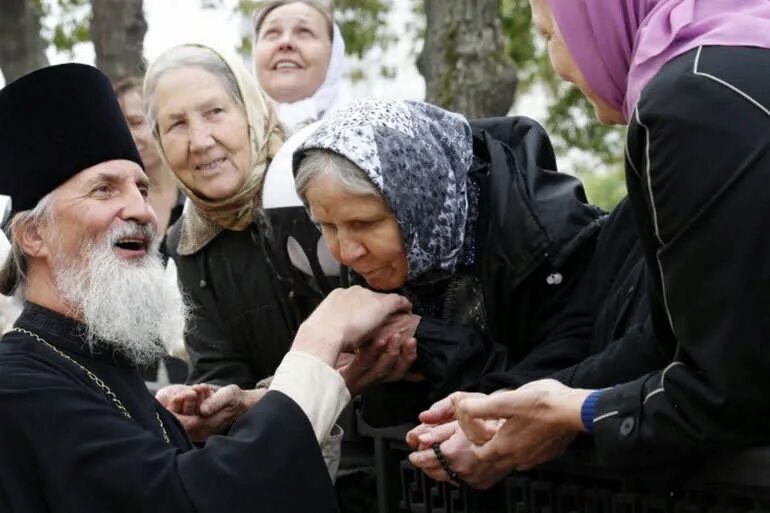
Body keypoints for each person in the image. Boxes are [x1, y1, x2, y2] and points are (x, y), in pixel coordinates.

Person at [0, 62, 413, 512]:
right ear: (32, 235)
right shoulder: (17, 385)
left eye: (141, 188)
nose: (142, 211)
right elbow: (195, 500)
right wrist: (318, 343)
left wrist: (332, 379)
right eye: (104, 190)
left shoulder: (96, 363)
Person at [443, 0, 770, 472]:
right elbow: (667, 339)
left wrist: (576, 414)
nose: (556, 68)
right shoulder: (739, 63)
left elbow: (730, 391)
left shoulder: (693, 102)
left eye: (549, 36)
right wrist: (516, 403)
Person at [145, 45, 405, 440]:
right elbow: (219, 365)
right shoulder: (188, 243)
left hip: (395, 440)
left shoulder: (321, 186)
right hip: (296, 453)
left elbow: (387, 335)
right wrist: (209, 400)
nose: (199, 141)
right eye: (176, 124)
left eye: (215, 112)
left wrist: (258, 398)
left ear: (252, 111)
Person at [293, 98, 604, 418]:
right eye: (326, 226)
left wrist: (428, 342)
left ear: (419, 201)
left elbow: (556, 390)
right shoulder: (392, 255)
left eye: (365, 224)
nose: (345, 252)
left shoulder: (544, 247)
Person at [114, 76, 182, 238]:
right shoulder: (115, 205)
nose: (129, 135)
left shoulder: (195, 191)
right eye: (120, 127)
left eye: (136, 122)